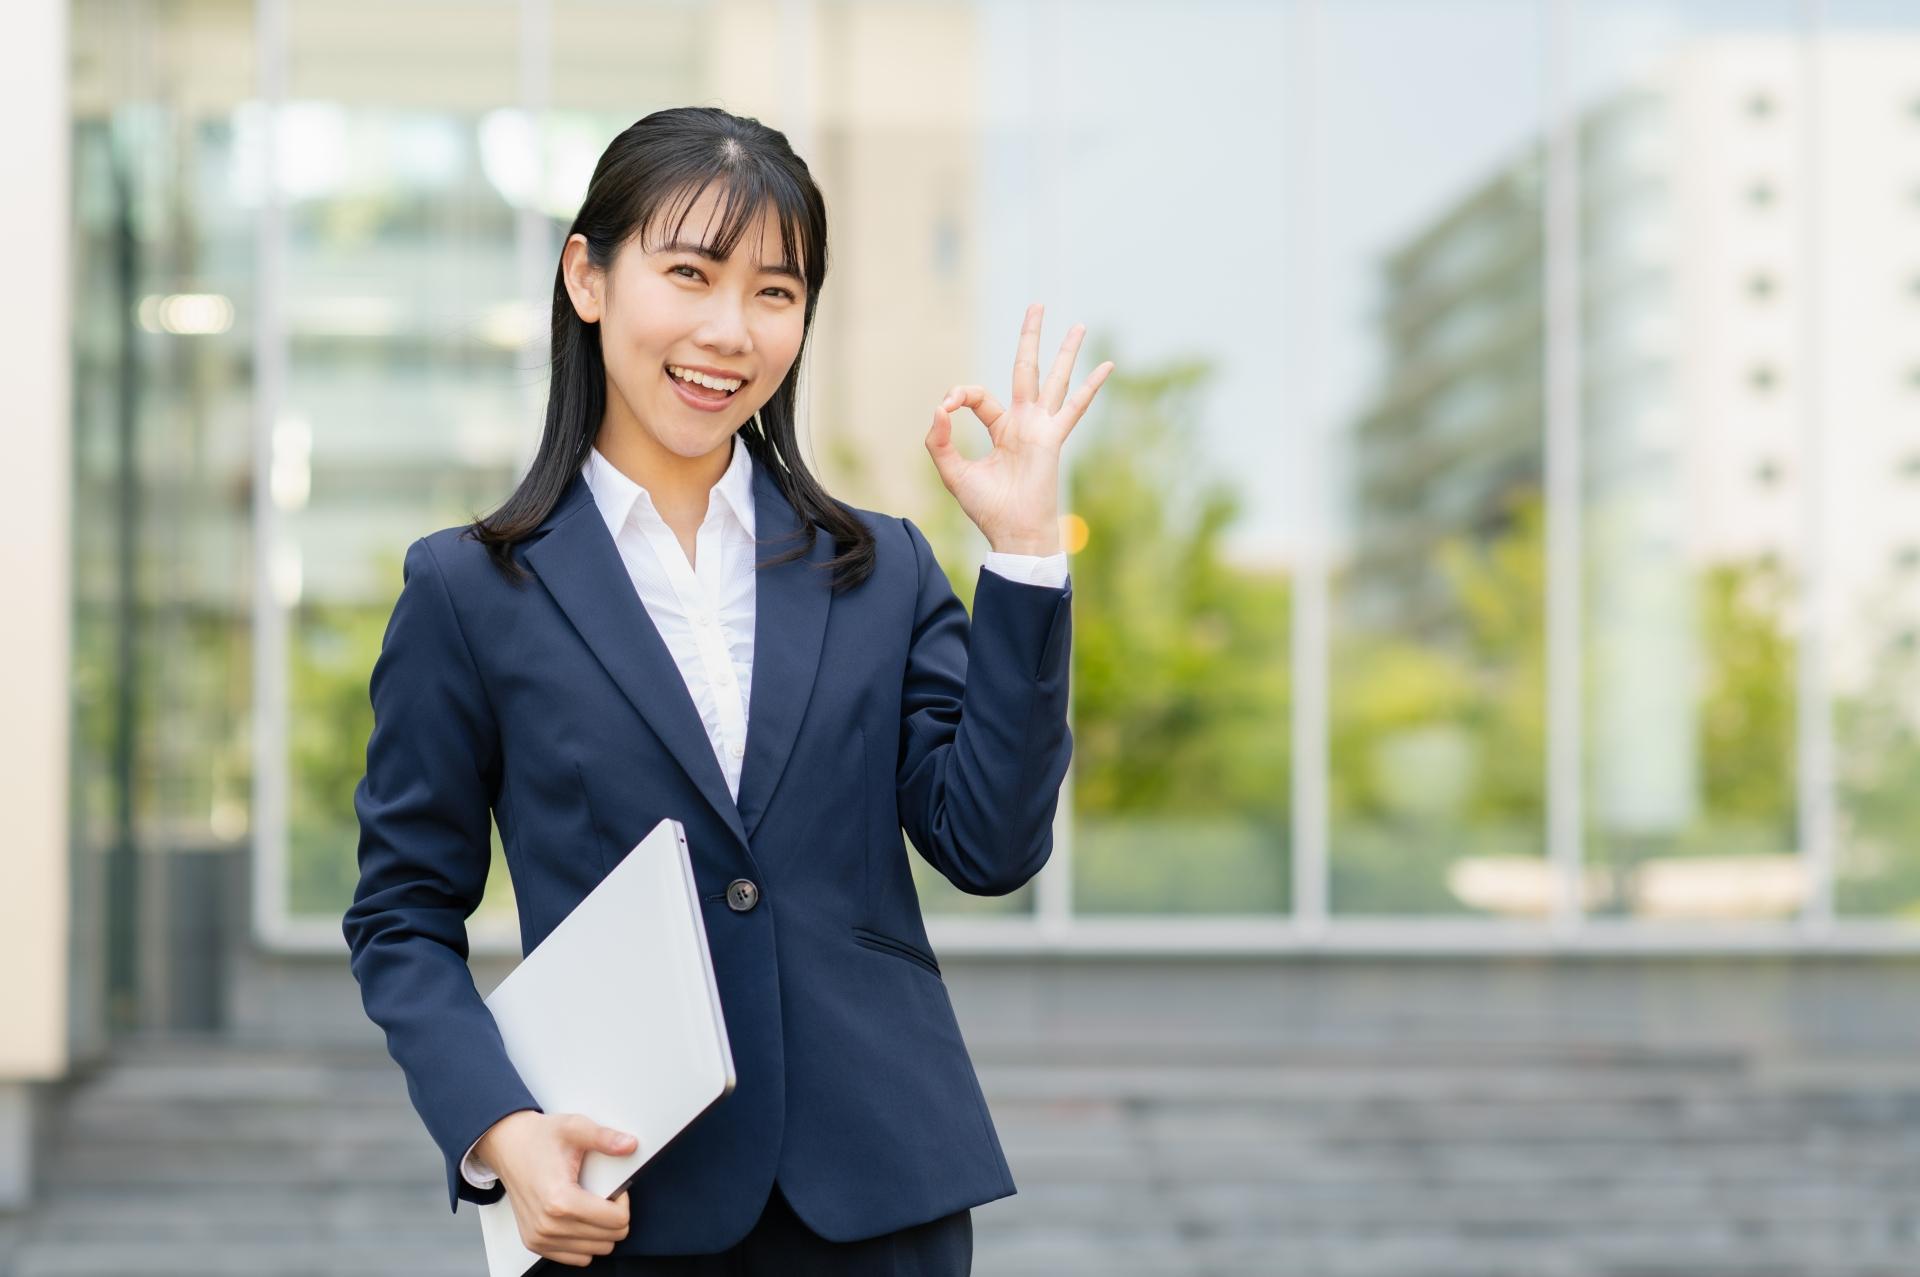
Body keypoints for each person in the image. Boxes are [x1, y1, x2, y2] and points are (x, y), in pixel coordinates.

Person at [340, 105, 1113, 1275]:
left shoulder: (881, 568)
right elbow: (401, 915)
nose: (729, 330)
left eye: (774, 291)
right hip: (627, 1196)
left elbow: (991, 844)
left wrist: (1024, 556)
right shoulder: (469, 590)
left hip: (881, 1201)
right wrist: (501, 1129)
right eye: (690, 274)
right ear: (587, 277)